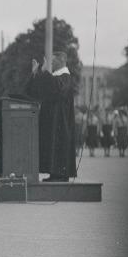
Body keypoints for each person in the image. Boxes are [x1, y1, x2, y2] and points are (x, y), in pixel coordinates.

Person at [25, 52, 77, 181]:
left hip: (60, 121)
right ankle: (54, 173)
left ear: (62, 60)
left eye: (53, 61)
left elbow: (58, 89)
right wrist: (35, 74)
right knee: (52, 146)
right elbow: (33, 92)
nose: (51, 63)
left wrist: (45, 73)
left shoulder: (66, 77)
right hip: (52, 120)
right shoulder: (55, 77)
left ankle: (60, 175)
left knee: (58, 145)